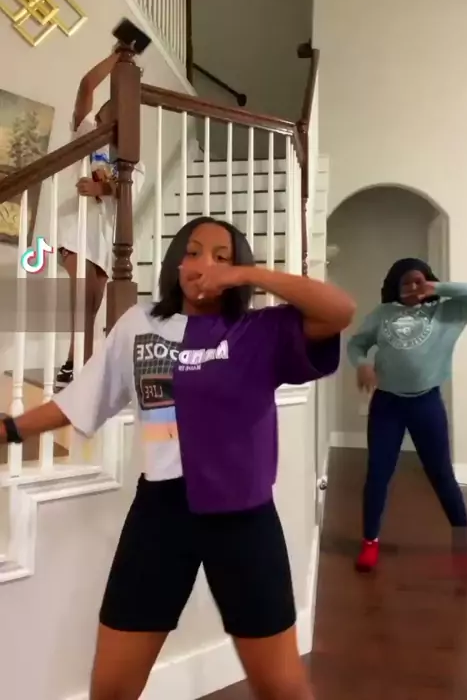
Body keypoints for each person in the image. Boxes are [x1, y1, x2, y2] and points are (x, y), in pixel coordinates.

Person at [0, 216, 355, 700]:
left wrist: (249, 275)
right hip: (160, 515)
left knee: (282, 688)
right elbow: (81, 399)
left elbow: (340, 310)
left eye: (222, 256)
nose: (204, 263)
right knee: (111, 689)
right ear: (176, 263)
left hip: (243, 518)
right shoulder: (138, 324)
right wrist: (11, 428)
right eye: (193, 252)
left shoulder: (259, 331)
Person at [347, 257, 467, 573]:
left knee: (442, 475)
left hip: (426, 404)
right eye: (405, 282)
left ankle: (463, 550)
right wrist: (362, 364)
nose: (412, 287)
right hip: (387, 406)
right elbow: (356, 344)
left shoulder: (447, 312)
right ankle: (370, 543)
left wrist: (438, 289)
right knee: (378, 474)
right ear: (395, 286)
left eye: (418, 281)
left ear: (428, 281)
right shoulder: (382, 314)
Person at [56, 47, 145, 387]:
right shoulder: (87, 135)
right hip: (75, 229)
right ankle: (78, 365)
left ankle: (75, 364)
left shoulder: (132, 159)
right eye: (111, 116)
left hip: (105, 238)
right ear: (101, 119)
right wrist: (117, 56)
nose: (114, 123)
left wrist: (101, 189)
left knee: (91, 305)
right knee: (83, 295)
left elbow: (127, 191)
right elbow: (86, 86)